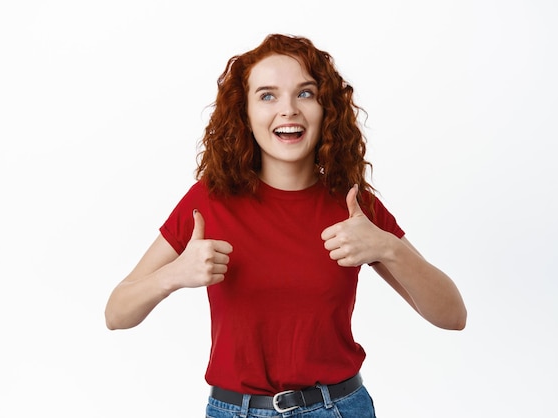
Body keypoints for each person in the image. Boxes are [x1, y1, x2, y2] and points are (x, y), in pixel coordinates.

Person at [105, 33, 467, 418]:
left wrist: (388, 248)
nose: (288, 109)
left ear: (326, 108)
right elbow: (116, 313)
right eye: (267, 95)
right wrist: (174, 274)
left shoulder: (353, 206)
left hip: (339, 408)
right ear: (243, 113)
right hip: (234, 410)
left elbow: (452, 316)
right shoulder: (209, 201)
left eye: (305, 93)